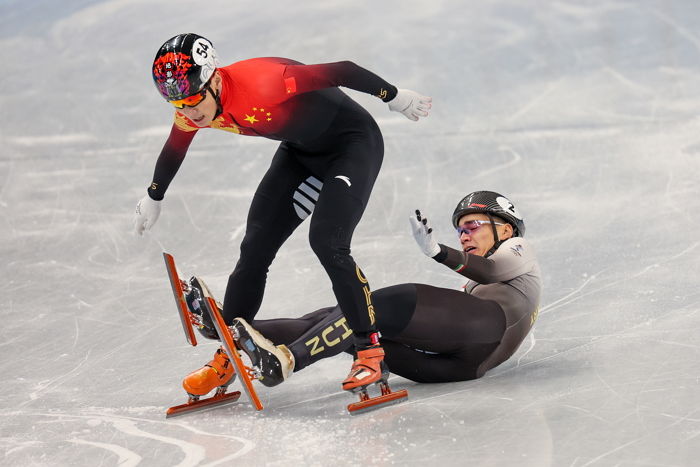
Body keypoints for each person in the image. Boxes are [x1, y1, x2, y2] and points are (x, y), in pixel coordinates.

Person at [134, 33, 432, 395]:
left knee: (327, 242)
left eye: (193, 101)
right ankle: (230, 351)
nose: (188, 113)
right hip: (300, 155)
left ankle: (369, 353)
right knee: (255, 247)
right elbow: (175, 147)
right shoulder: (191, 106)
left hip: (352, 146)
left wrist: (394, 96)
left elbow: (342, 70)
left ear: (213, 80)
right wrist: (155, 196)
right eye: (177, 104)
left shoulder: (264, 83)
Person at [184, 190, 542, 394]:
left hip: (483, 335)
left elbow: (491, 269)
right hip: (452, 365)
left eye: (473, 226)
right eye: (460, 230)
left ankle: (289, 359)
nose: (464, 235)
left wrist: (438, 251)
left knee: (386, 303)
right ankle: (229, 332)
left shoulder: (518, 250)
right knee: (350, 321)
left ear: (506, 230)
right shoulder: (476, 282)